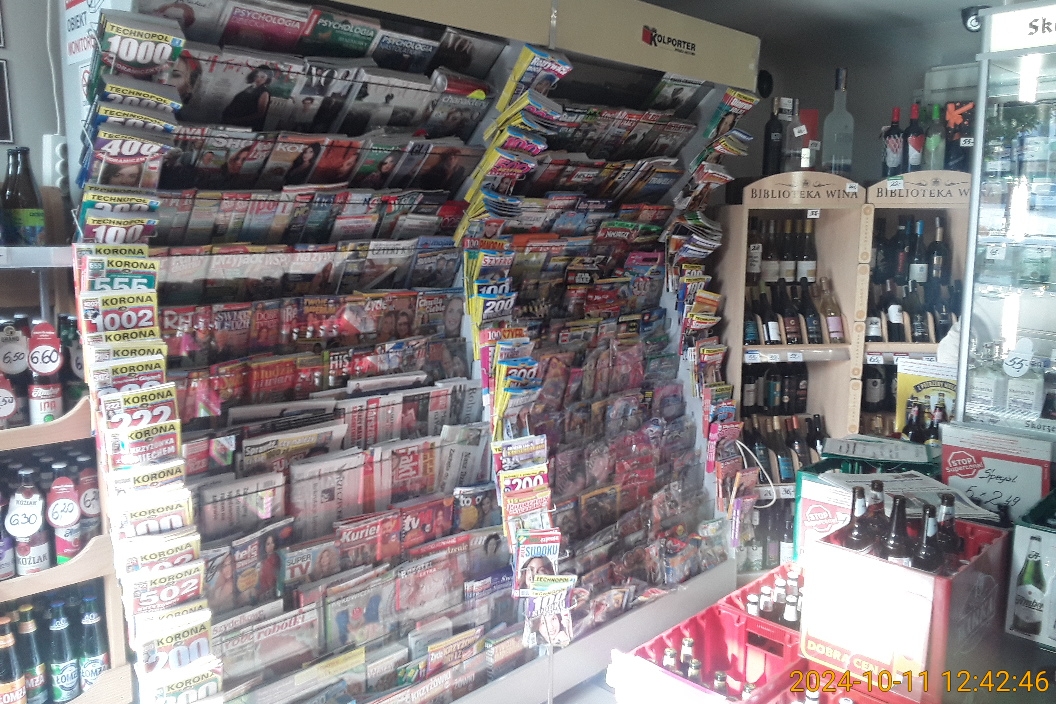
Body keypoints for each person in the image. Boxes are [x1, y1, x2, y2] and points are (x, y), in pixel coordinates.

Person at [222, 66, 274, 131]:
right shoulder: (250, 88)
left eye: (262, 77)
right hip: (231, 123)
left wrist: (238, 120)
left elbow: (260, 114)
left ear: (267, 79)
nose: (258, 79)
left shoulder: (264, 92)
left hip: (245, 126)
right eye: (256, 76)